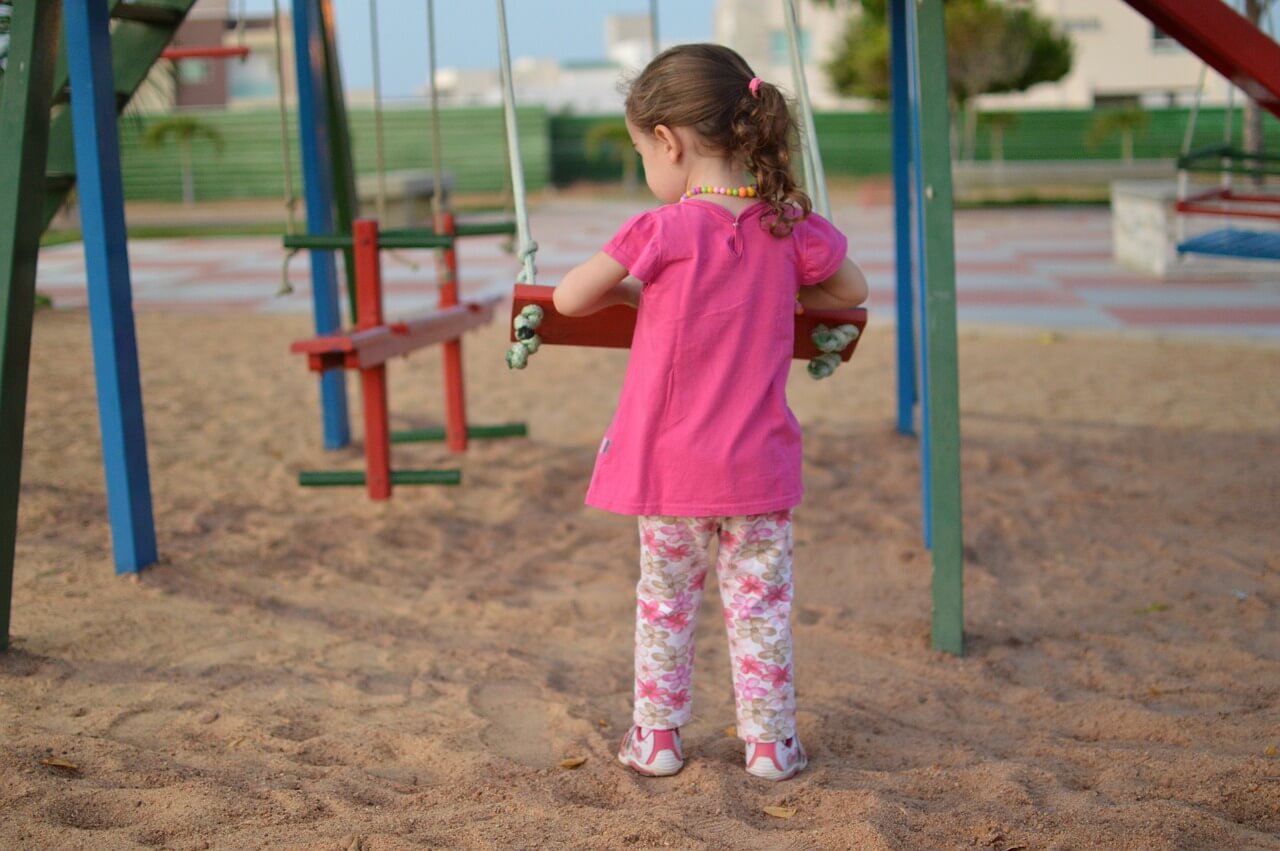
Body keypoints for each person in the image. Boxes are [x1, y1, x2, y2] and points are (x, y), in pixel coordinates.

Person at [553, 43, 868, 781]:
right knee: (760, 607)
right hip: (757, 469)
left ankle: (658, 739)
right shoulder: (786, 225)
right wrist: (781, 288)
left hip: (671, 472)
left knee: (665, 603)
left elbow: (569, 297)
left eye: (641, 152)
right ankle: (770, 745)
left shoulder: (660, 231)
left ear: (669, 142)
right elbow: (846, 291)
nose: (646, 168)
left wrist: (640, 288)